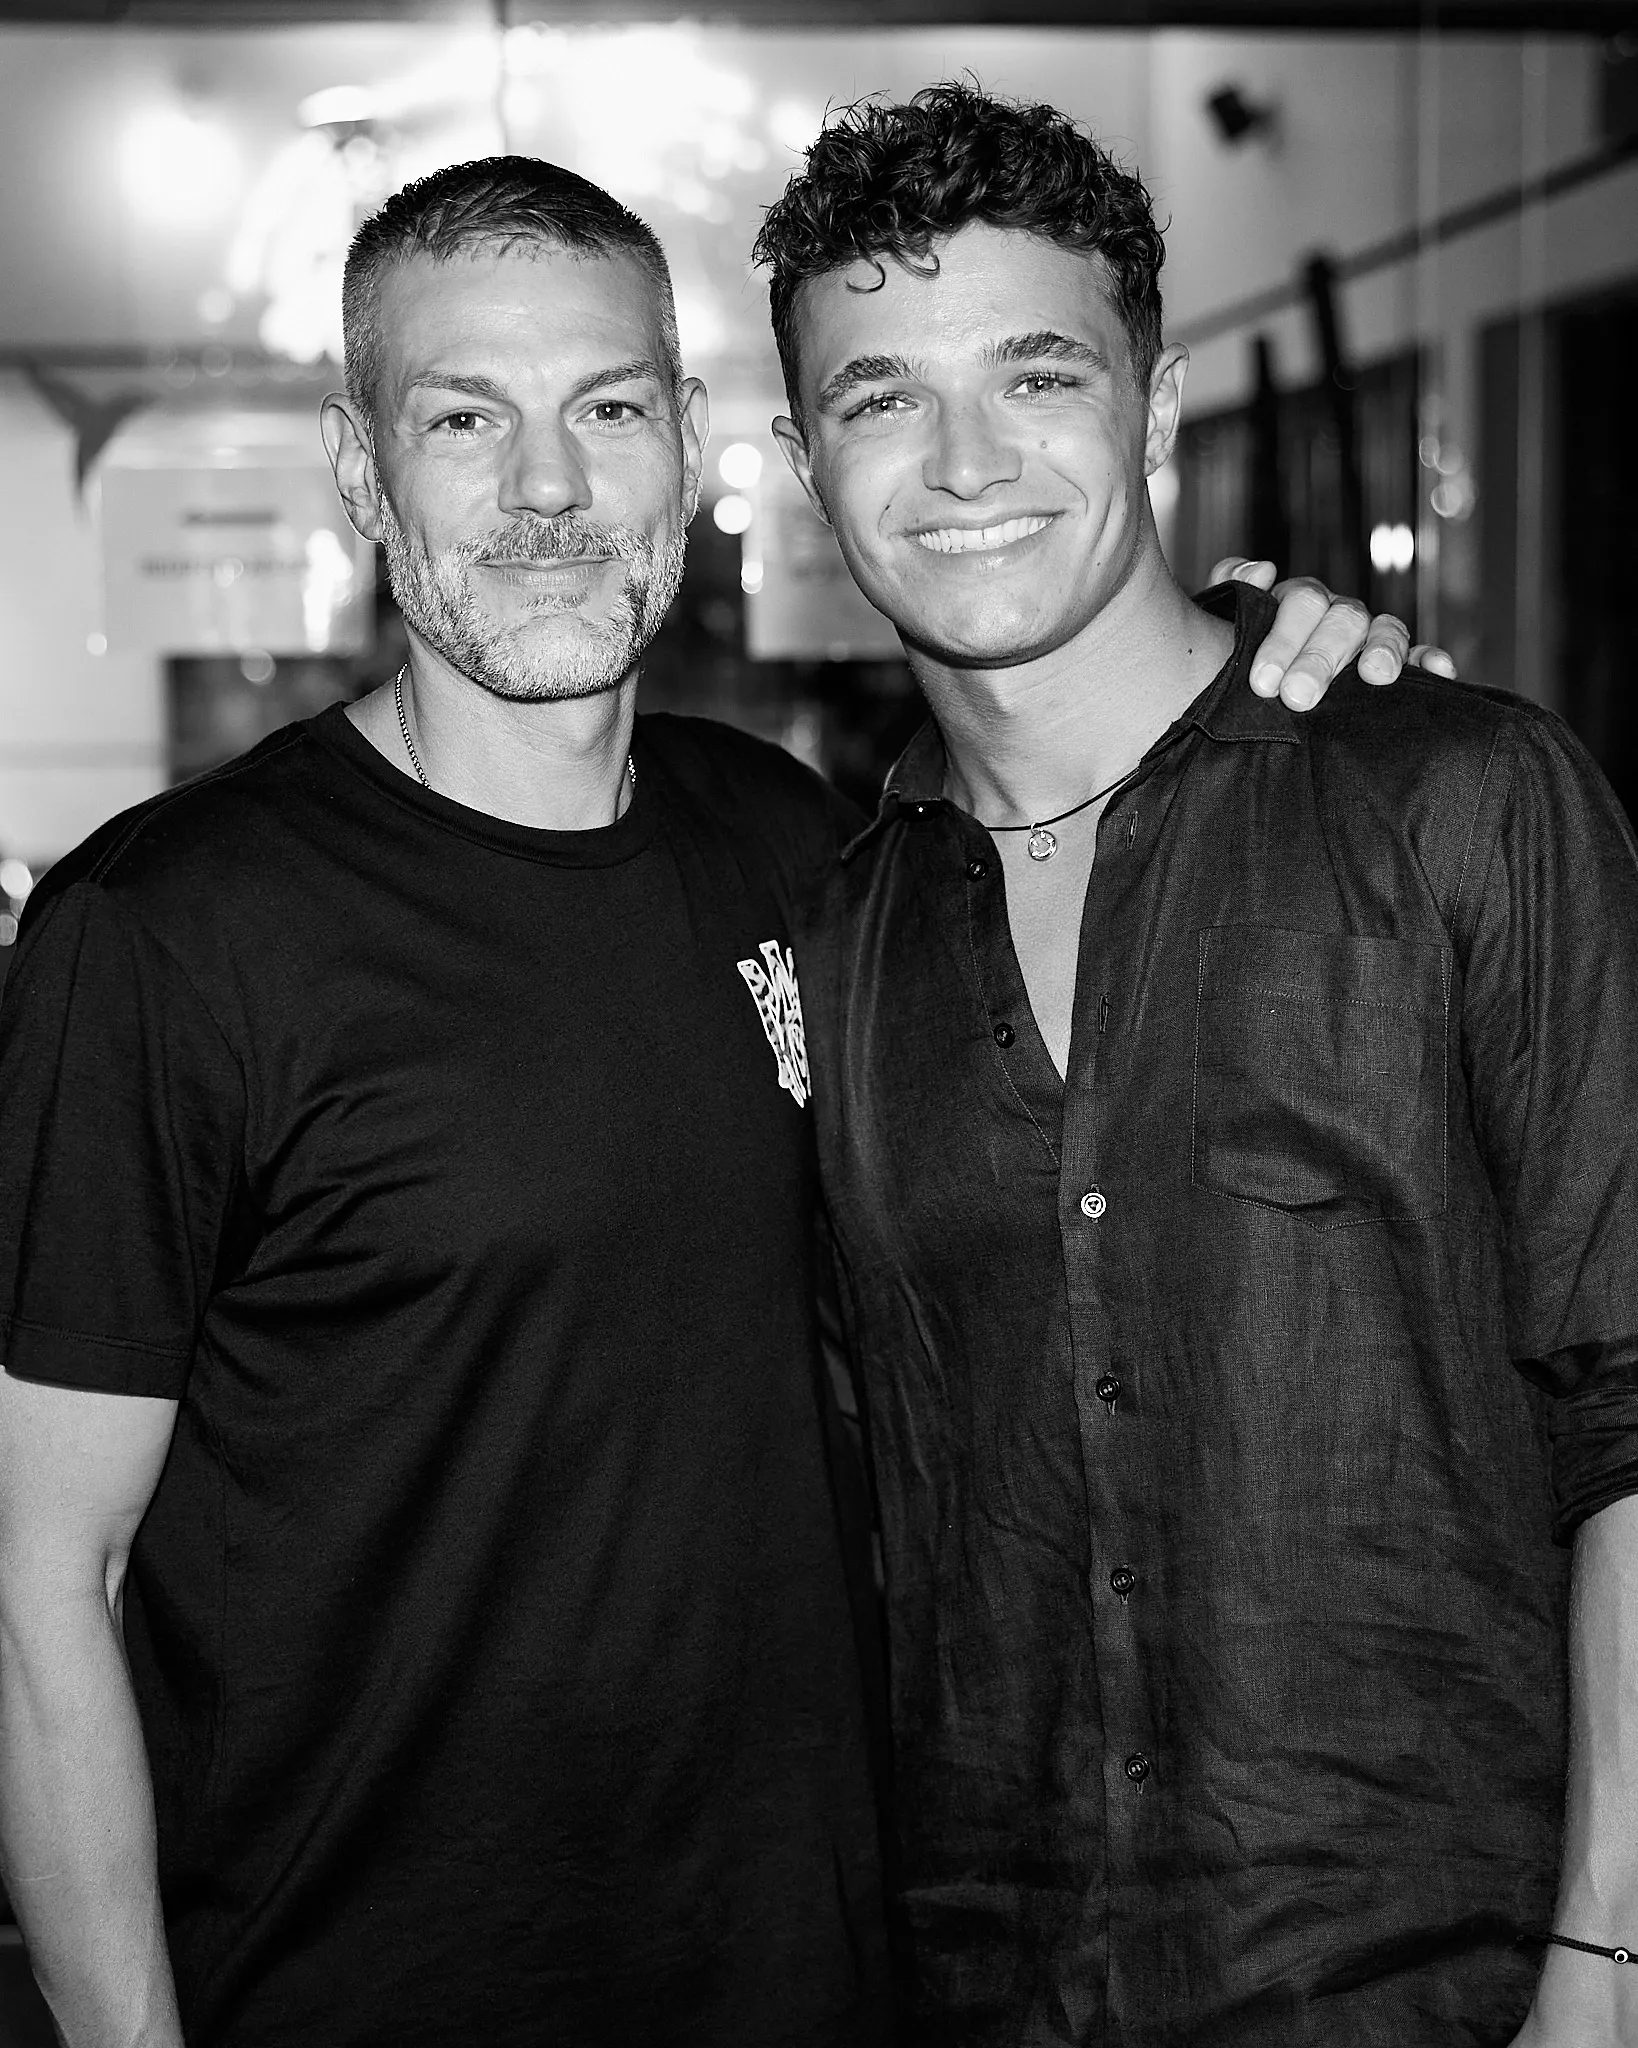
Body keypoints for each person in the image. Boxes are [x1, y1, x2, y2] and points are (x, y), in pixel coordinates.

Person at [0, 155, 1420, 2047]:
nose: (547, 494)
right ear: (357, 469)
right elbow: (36, 1593)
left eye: (603, 410)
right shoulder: (165, 933)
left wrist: (1286, 660)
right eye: (461, 420)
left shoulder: (803, 854)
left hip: (814, 1979)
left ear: (687, 444)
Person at [757, 84, 1638, 2048]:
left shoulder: (1461, 802)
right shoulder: (850, 933)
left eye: (1037, 373)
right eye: (880, 396)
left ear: (1155, 406)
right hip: (1001, 1988)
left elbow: (1632, 1408)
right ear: (807, 463)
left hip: (1446, 1991)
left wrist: (1609, 1961)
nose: (965, 457)